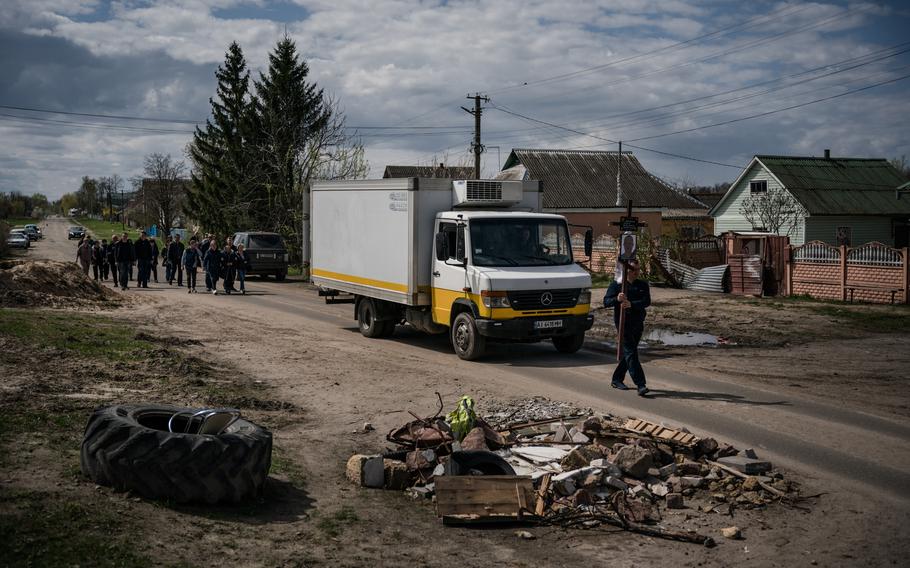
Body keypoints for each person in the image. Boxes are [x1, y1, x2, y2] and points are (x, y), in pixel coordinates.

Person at [603, 259, 651, 396]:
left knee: (629, 353)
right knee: (631, 352)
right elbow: (606, 301)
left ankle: (617, 379)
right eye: (633, 270)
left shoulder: (642, 285)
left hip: (638, 322)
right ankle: (640, 384)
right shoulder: (617, 285)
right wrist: (617, 299)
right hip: (623, 323)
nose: (637, 272)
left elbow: (646, 301)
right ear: (626, 271)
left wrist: (632, 304)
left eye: (638, 269)